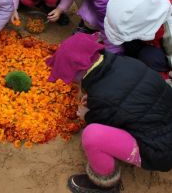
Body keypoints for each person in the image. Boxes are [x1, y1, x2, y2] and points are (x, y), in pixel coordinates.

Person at [46, 33, 172, 193]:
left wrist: (87, 115)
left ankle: (104, 184)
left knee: (93, 136)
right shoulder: (125, 62)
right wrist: (95, 97)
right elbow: (124, 96)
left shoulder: (102, 97)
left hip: (160, 151)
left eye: (71, 77)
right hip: (164, 123)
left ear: (79, 72)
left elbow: (104, 120)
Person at [104, 0, 172, 80]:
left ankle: (155, 71)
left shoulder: (169, 32)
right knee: (130, 44)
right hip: (153, 43)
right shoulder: (152, 7)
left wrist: (163, 79)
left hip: (163, 54)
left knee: (149, 56)